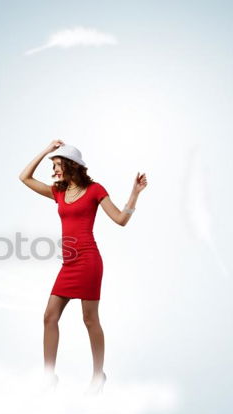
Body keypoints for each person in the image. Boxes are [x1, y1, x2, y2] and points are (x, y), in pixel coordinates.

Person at [18, 139, 148, 394]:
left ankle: (98, 376)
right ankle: (48, 376)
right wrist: (47, 150)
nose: (54, 170)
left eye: (57, 165)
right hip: (68, 264)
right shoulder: (58, 191)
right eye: (53, 166)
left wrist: (134, 194)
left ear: (71, 165)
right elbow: (24, 177)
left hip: (88, 261)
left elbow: (121, 220)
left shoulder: (95, 190)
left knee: (89, 319)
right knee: (49, 317)